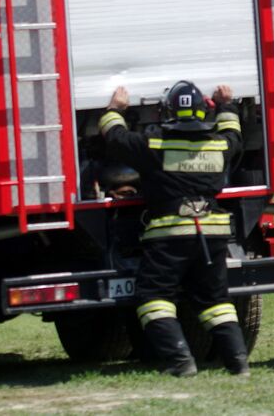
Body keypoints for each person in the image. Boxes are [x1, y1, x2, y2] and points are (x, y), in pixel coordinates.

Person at [96, 81, 249, 377]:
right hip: (213, 235)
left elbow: (115, 138)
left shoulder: (154, 146)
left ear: (167, 113)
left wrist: (115, 109)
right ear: (204, 111)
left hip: (171, 237)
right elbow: (234, 134)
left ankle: (181, 362)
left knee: (153, 298)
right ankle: (238, 364)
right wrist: (227, 104)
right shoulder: (219, 146)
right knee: (216, 302)